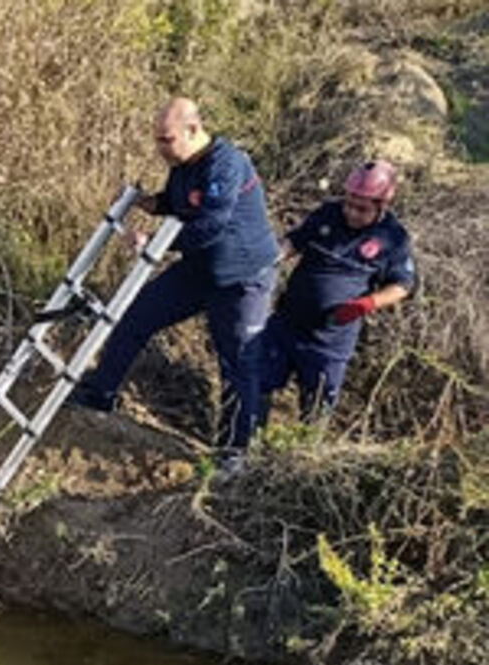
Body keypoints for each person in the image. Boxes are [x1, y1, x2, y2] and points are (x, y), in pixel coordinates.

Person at [67, 98, 280, 455]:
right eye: (157, 139)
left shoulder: (226, 163)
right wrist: (144, 202)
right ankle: (99, 393)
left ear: (193, 130)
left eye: (166, 140)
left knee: (238, 361)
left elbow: (211, 224)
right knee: (135, 314)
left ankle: (234, 451)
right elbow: (176, 202)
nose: (160, 148)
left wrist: (153, 242)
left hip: (242, 279)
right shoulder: (183, 164)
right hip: (199, 270)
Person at [250, 159, 416, 432]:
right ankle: (245, 443)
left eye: (361, 209)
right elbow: (295, 241)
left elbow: (402, 285)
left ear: (382, 205)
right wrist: (269, 258)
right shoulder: (328, 214)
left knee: (317, 407)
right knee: (256, 383)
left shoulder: (393, 238)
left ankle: (299, 455)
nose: (351, 212)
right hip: (287, 324)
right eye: (348, 204)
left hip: (329, 342)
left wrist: (367, 303)